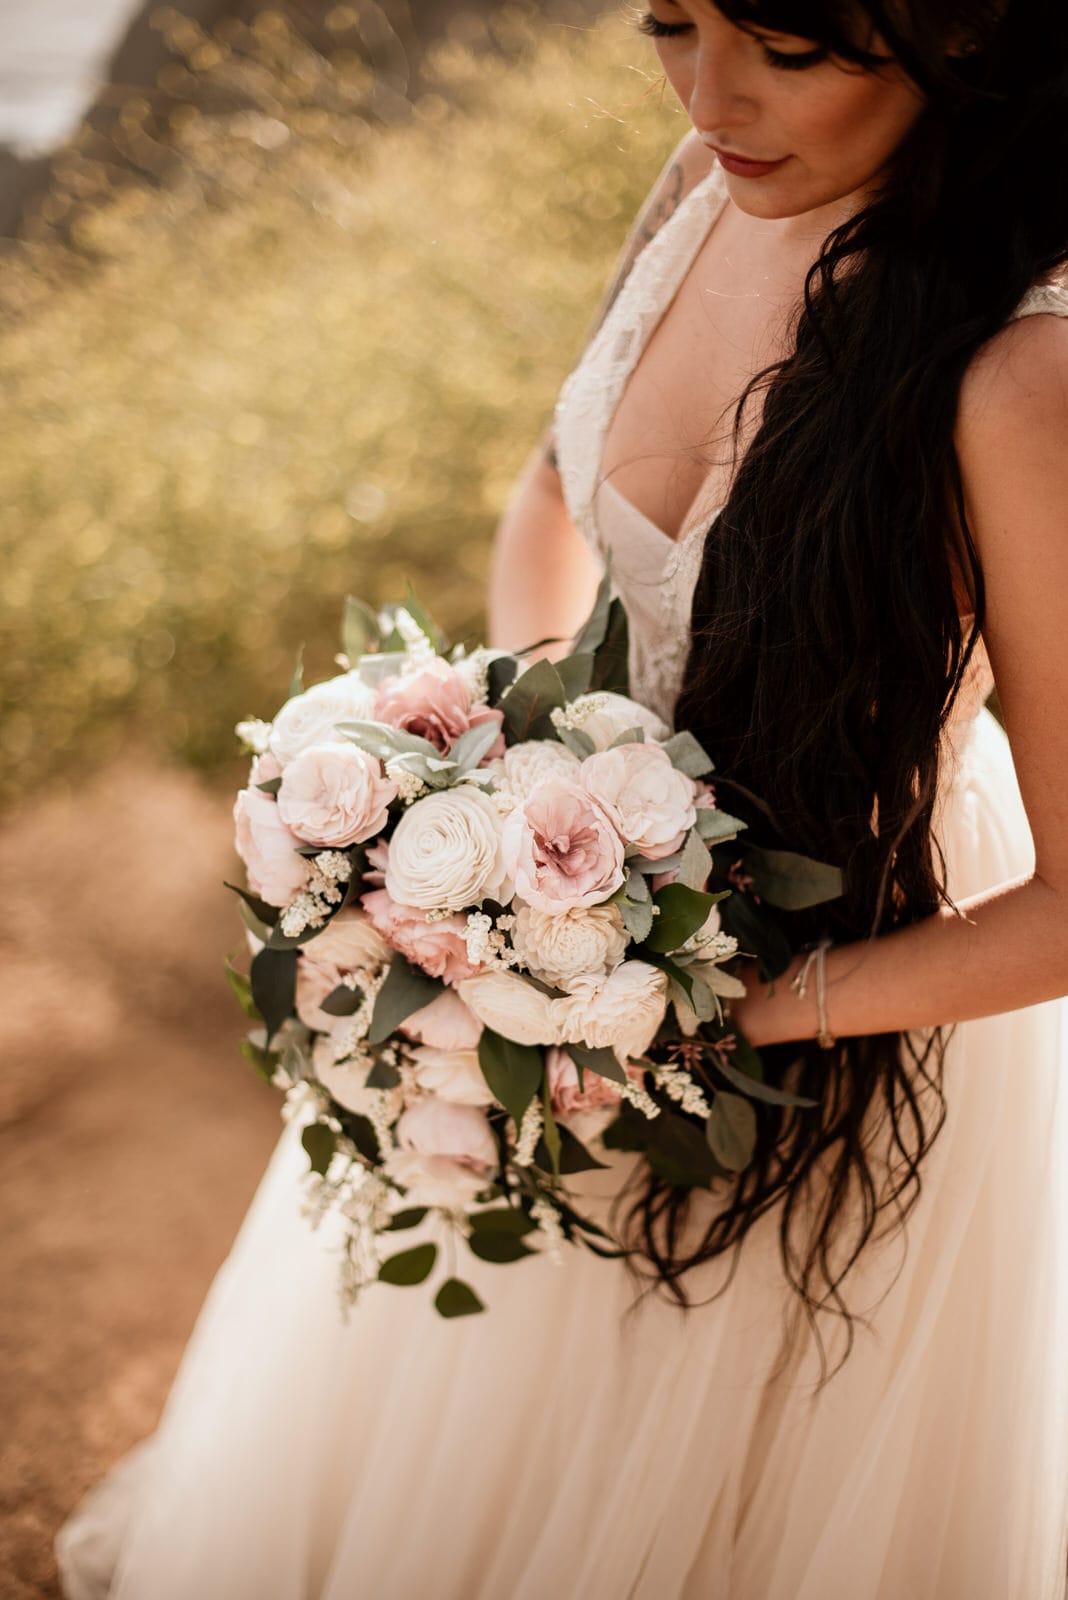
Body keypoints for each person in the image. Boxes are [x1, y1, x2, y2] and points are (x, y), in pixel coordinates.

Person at [57, 2, 1068, 1596]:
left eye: (789, 49)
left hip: (847, 991)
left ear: (962, 33)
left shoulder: (1025, 373)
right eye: (671, 19)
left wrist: (698, 1016)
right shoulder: (709, 179)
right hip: (548, 922)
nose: (713, 89)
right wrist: (494, 778)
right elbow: (555, 493)